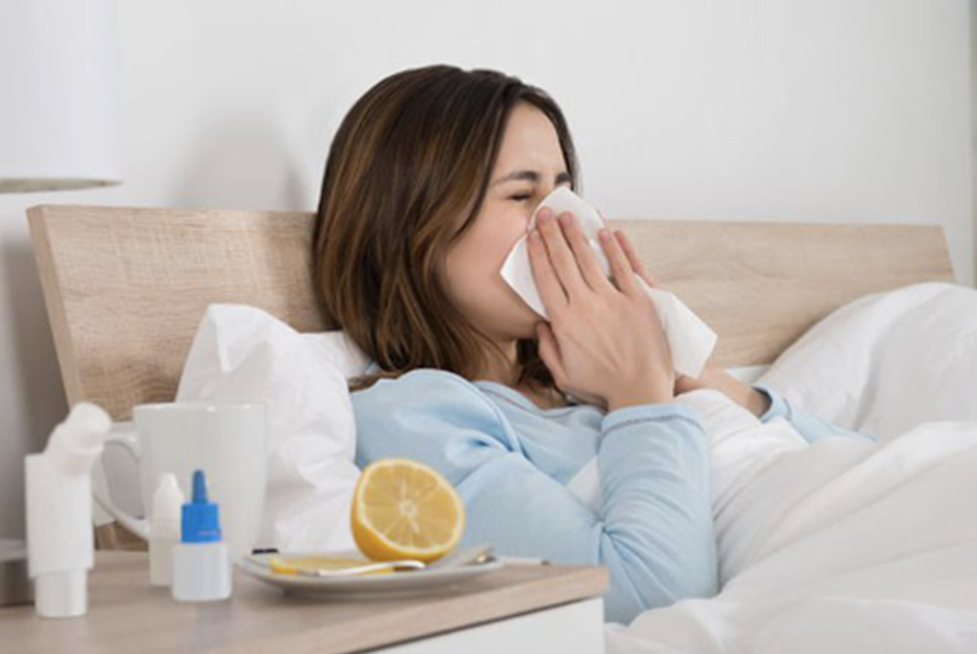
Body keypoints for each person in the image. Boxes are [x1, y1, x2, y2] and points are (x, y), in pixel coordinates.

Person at [311, 64, 876, 625]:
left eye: (563, 192)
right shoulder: (414, 418)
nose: (570, 223)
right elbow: (651, 598)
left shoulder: (586, 374)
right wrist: (639, 394)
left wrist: (689, 369)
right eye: (523, 194)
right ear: (413, 227)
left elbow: (870, 466)